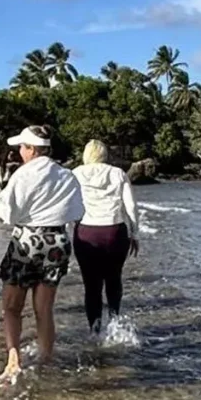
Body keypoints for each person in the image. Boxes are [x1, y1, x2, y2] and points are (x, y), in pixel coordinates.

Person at [0, 126, 84, 382]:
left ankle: (13, 361)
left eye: (22, 147)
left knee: (12, 306)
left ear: (31, 149)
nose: (19, 151)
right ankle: (45, 360)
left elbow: (7, 214)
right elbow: (77, 211)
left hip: (28, 241)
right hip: (57, 241)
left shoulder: (23, 174)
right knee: (44, 308)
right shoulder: (66, 175)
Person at [72, 140, 139, 334]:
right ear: (104, 154)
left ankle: (94, 331)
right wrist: (134, 233)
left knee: (91, 285)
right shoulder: (118, 173)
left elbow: (69, 205)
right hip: (114, 232)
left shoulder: (75, 173)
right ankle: (115, 324)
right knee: (114, 279)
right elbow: (131, 207)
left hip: (86, 232)